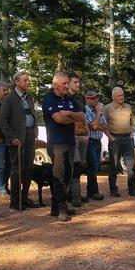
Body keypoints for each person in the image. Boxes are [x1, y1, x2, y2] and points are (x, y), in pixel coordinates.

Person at [42, 72, 85, 221]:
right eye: (64, 83)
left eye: (68, 83)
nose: (67, 86)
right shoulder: (49, 99)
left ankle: (56, 207)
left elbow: (82, 117)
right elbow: (59, 119)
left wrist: (67, 113)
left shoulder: (70, 99)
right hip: (56, 143)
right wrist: (72, 117)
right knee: (58, 176)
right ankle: (61, 207)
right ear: (55, 85)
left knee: (67, 175)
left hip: (70, 142)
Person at [0, 70, 37, 212]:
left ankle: (24, 198)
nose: (27, 82)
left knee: (29, 168)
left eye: (28, 80)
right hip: (17, 138)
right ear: (16, 82)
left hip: (30, 136)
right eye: (24, 80)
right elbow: (2, 120)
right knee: (17, 170)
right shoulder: (9, 98)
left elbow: (31, 115)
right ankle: (15, 202)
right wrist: (11, 137)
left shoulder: (29, 97)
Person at [103, 86, 135, 197]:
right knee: (113, 166)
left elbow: (131, 123)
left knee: (131, 165)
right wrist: (110, 137)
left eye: (122, 95)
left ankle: (133, 189)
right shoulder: (108, 108)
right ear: (113, 97)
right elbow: (103, 124)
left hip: (128, 139)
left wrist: (131, 135)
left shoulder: (128, 107)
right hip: (115, 139)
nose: (121, 97)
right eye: (119, 95)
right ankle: (113, 190)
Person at [67, 74, 89, 207]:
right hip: (72, 135)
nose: (78, 84)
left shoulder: (80, 98)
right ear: (68, 83)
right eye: (75, 82)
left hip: (83, 135)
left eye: (79, 82)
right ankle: (74, 194)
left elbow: (83, 116)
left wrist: (87, 132)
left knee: (80, 164)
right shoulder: (65, 97)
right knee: (73, 164)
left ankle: (75, 192)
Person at [83, 90, 105, 200]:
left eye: (97, 98)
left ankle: (90, 191)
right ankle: (93, 192)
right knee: (92, 167)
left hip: (98, 141)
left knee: (96, 167)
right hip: (90, 140)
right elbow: (94, 126)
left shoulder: (99, 109)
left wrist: (96, 124)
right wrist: (98, 114)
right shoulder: (85, 111)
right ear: (87, 99)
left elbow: (105, 125)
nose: (96, 100)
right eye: (93, 98)